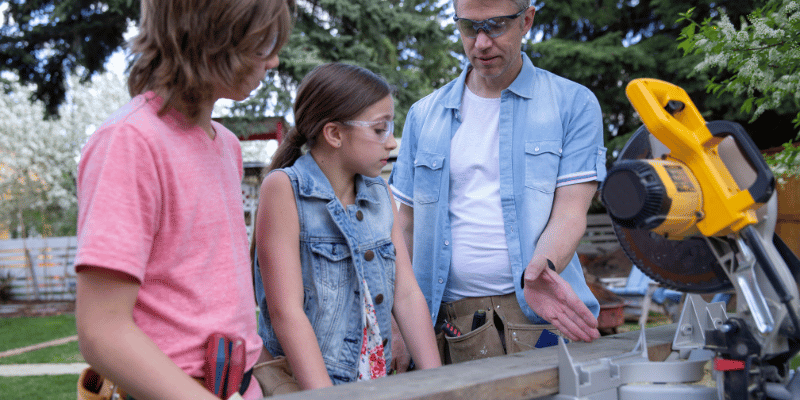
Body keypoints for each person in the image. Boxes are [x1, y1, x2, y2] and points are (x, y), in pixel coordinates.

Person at [73, 0, 294, 399]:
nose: (274, 60)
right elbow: (101, 330)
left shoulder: (226, 145)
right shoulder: (130, 141)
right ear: (214, 36)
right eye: (263, 43)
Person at [388, 0, 605, 366]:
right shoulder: (424, 115)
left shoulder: (573, 104)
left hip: (540, 314)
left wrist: (540, 270)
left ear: (527, 21)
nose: (482, 43)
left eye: (495, 26)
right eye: (470, 28)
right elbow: (405, 226)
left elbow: (570, 213)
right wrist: (398, 322)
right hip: (447, 324)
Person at [253, 62, 441, 390]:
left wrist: (441, 384)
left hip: (369, 382)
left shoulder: (380, 194)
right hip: (302, 385)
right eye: (380, 129)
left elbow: (407, 294)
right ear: (335, 133)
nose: (392, 142)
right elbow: (286, 314)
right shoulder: (283, 189)